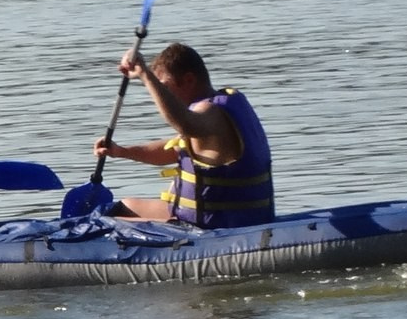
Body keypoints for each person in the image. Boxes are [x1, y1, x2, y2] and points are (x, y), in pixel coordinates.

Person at [92, 42, 275, 226]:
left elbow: (185, 125)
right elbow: (174, 150)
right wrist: (122, 151)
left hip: (219, 225)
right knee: (122, 207)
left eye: (165, 87)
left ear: (189, 80)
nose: (161, 94)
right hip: (219, 217)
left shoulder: (211, 113)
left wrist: (146, 76)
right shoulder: (227, 103)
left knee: (104, 223)